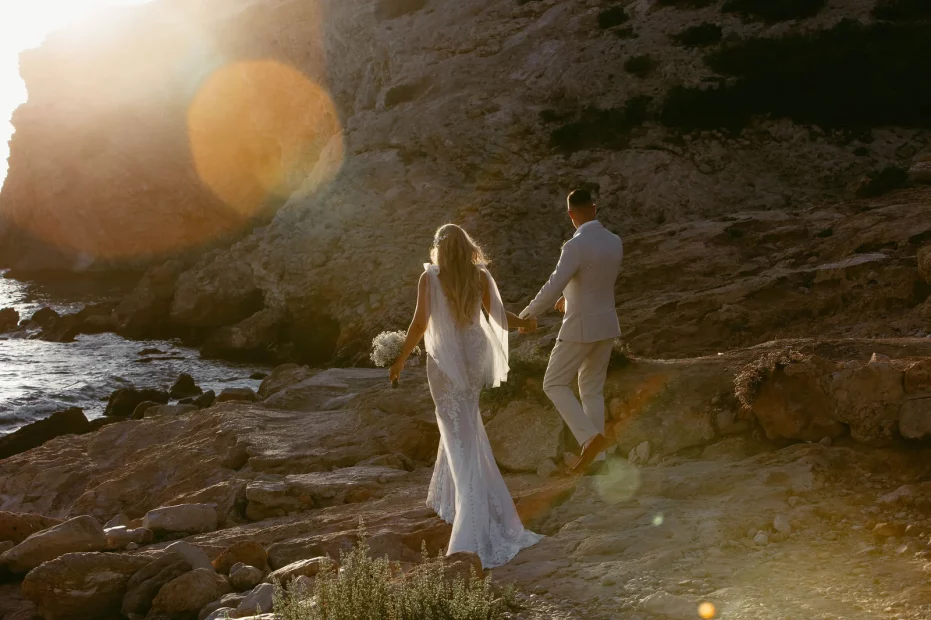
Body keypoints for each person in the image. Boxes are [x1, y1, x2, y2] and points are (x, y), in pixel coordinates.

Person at [389, 223, 542, 569]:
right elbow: (501, 319)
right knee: (466, 431)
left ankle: (470, 526)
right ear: (467, 246)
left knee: (457, 432)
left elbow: (418, 325)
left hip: (445, 364)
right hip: (473, 358)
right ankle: (459, 503)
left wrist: (399, 360)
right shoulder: (480, 277)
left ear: (439, 248)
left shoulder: (430, 278)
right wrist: (525, 324)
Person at [520, 189, 624, 476]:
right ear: (594, 208)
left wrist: (525, 316)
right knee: (592, 390)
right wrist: (570, 297)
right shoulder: (615, 241)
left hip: (579, 326)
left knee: (553, 383)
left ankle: (590, 439)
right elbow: (597, 281)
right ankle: (598, 459)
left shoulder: (574, 246)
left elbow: (553, 284)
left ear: (570, 215)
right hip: (606, 325)